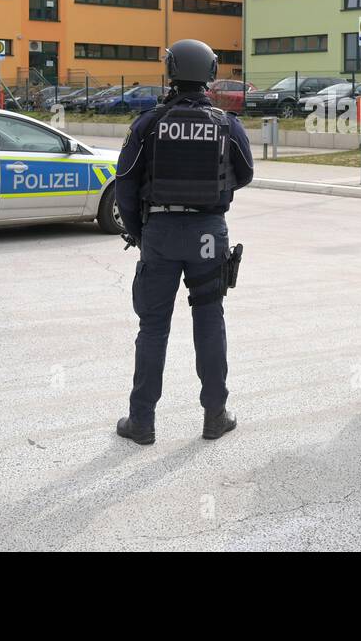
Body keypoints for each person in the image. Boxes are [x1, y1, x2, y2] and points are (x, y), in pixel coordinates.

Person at [113, 40, 254, 445]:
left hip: (158, 231)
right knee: (209, 319)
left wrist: (141, 233)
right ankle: (215, 416)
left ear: (171, 71)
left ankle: (141, 423)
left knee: (153, 327)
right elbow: (244, 174)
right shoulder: (228, 124)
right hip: (209, 232)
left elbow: (126, 183)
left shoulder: (148, 123)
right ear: (210, 73)